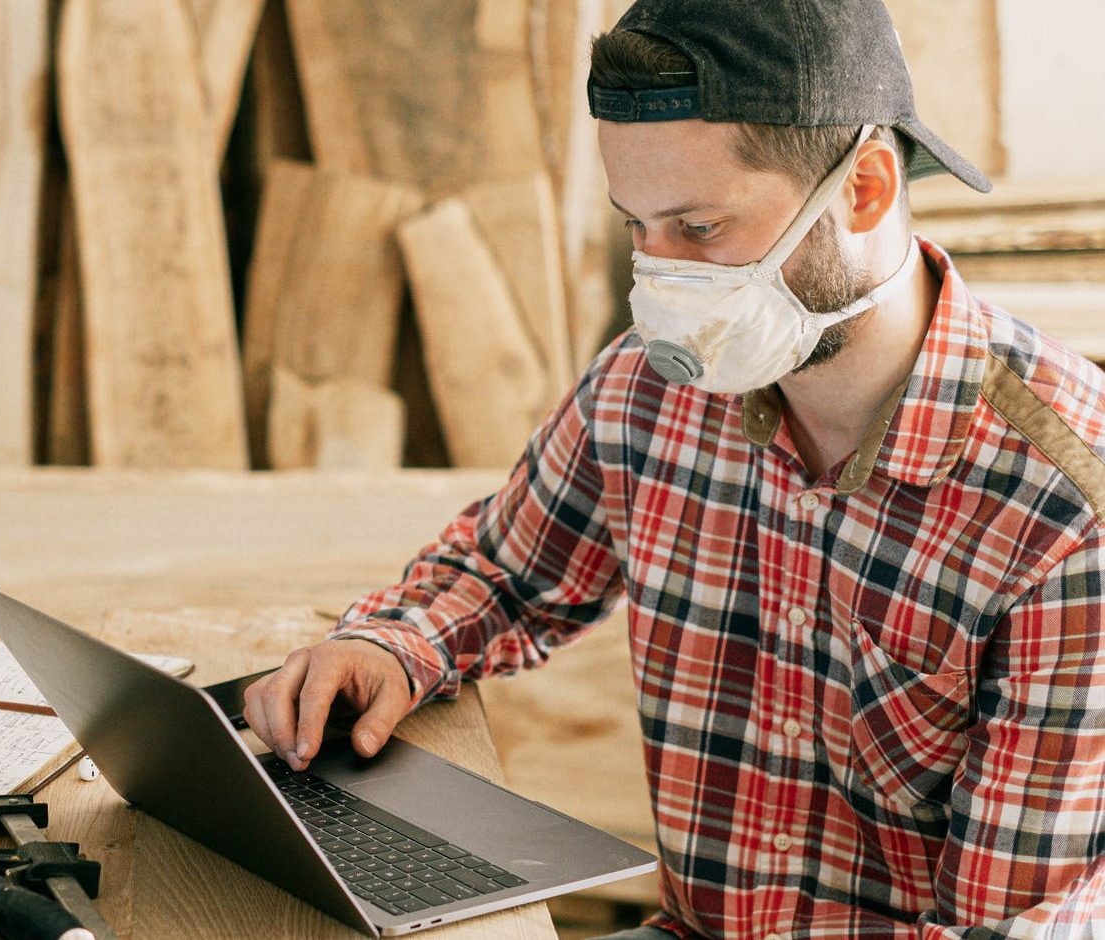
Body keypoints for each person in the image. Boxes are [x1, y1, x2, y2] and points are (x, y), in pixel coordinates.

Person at [242, 1, 1105, 936]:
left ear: (862, 188)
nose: (661, 283)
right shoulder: (655, 388)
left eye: (697, 229)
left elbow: (1004, 930)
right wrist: (389, 646)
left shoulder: (1062, 518)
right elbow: (505, 572)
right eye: (637, 228)